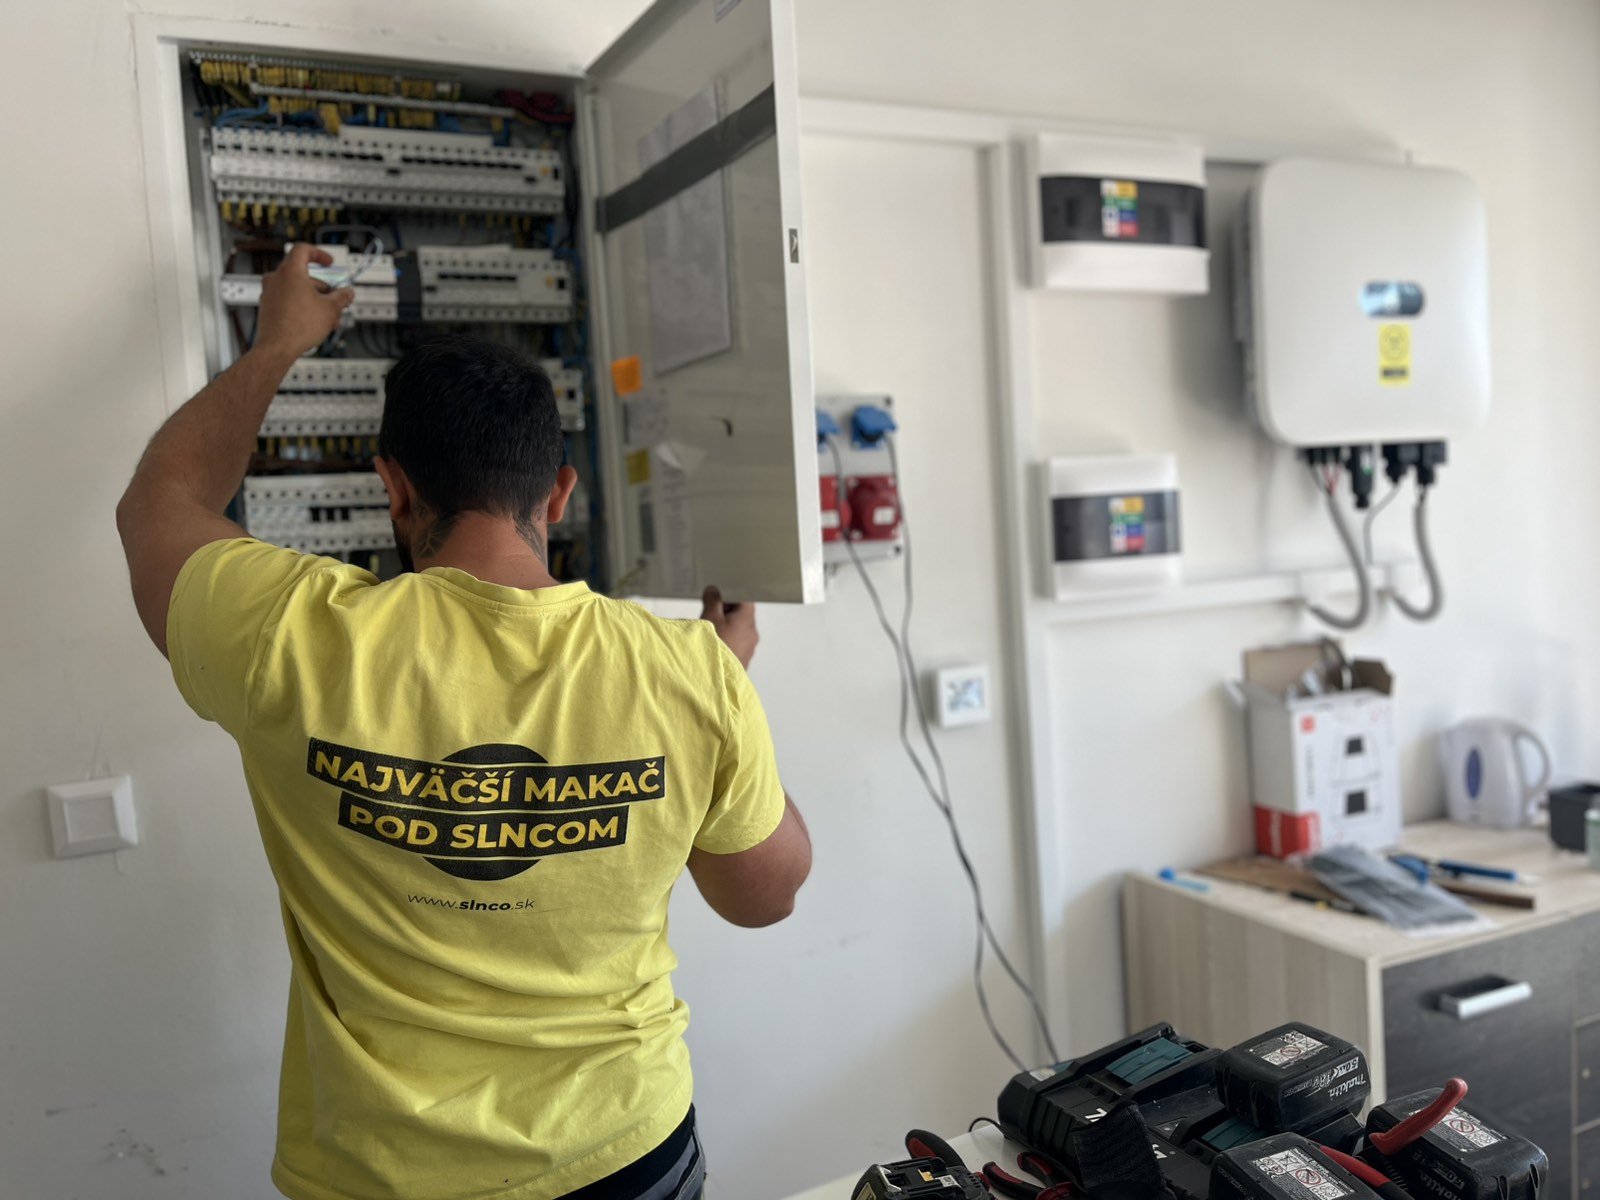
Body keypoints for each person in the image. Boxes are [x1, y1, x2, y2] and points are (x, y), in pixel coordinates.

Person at [115, 244, 812, 1200]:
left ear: (394, 487)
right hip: (624, 1152)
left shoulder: (287, 633)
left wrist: (277, 345)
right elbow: (763, 897)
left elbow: (159, 503)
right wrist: (724, 700)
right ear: (558, 492)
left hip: (382, 1175)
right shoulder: (688, 673)